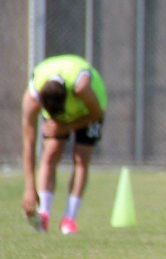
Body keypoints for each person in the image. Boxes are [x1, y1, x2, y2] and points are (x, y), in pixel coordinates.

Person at [21, 54, 107, 234]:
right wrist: (29, 187)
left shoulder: (81, 87)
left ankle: (69, 218)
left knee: (81, 157)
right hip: (62, 104)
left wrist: (66, 126)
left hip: (90, 109)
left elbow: (96, 114)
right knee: (50, 152)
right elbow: (28, 143)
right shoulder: (32, 97)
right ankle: (44, 214)